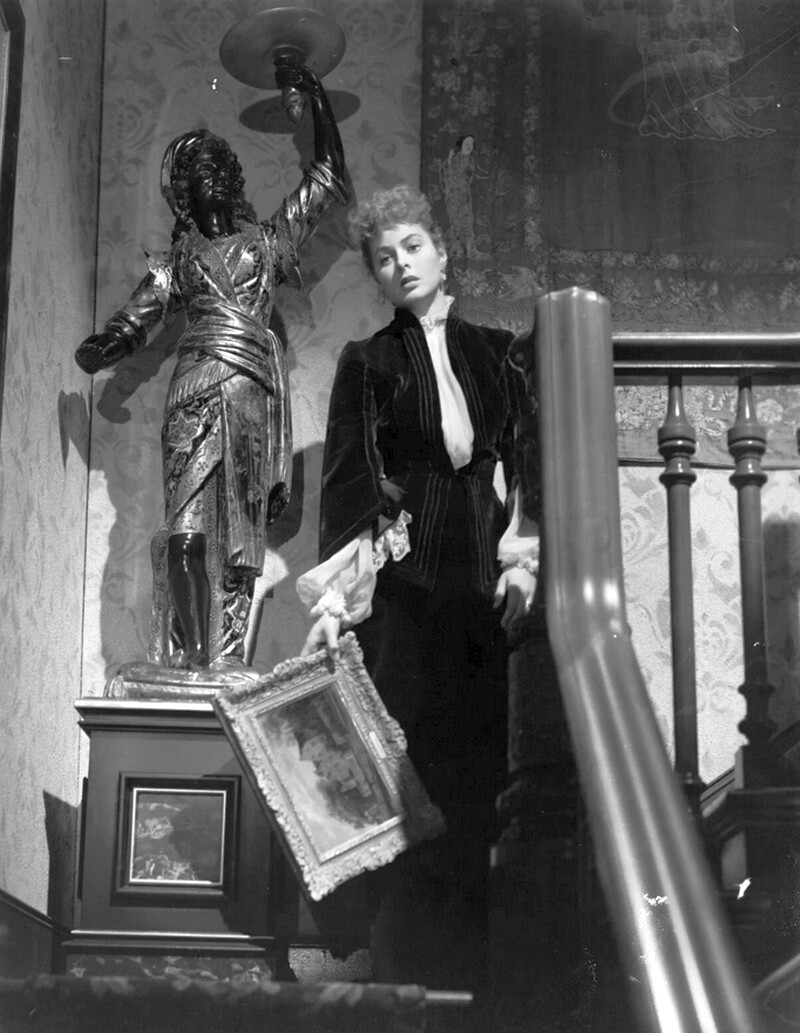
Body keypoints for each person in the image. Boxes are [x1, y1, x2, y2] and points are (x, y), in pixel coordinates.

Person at [297, 185, 539, 1000]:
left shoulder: (502, 353)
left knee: (482, 766)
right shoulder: (368, 362)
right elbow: (351, 483)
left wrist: (523, 561)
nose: (399, 265)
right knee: (402, 768)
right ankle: (400, 976)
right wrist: (335, 605)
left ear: (440, 251)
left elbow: (528, 463)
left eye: (411, 247)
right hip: (405, 588)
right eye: (382, 258)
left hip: (485, 580)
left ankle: (475, 984)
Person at [75, 61, 348, 671]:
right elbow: (134, 320)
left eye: (224, 167)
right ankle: (192, 659)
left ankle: (222, 659)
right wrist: (103, 348)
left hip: (249, 396)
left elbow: (325, 178)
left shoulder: (268, 244)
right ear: (185, 194)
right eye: (203, 171)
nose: (217, 177)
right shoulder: (176, 262)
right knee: (186, 533)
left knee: (239, 544)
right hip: (193, 391)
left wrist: (316, 99)